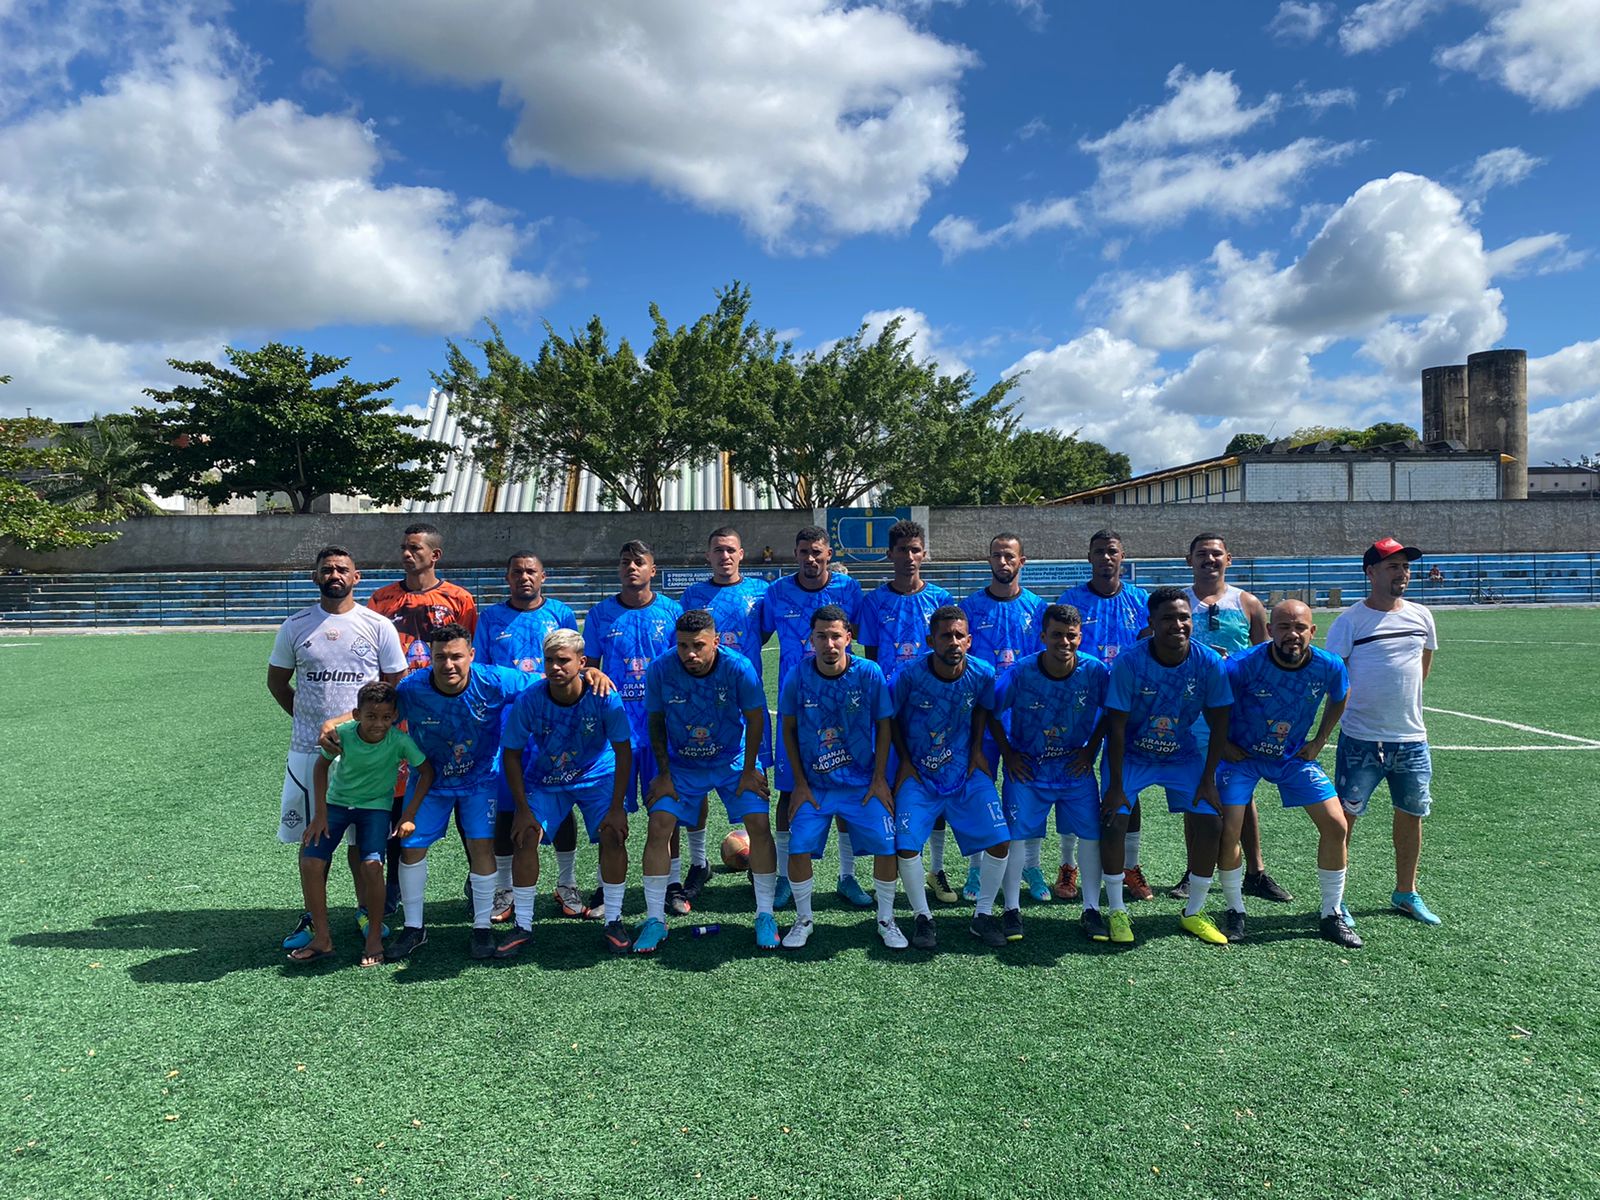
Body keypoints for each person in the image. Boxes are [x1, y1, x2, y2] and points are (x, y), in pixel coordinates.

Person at [323, 623, 535, 961]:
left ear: (471, 655)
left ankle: (482, 928)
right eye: (440, 657)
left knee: (482, 847)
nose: (448, 664)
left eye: (456, 657)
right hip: (430, 783)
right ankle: (414, 928)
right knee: (411, 849)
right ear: (431, 658)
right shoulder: (412, 689)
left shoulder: (495, 680)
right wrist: (334, 724)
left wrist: (590, 675)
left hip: (480, 781)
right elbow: (378, 712)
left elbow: (546, 681)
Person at [267, 546, 406, 951]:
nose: (335, 575)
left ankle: (365, 912)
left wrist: (349, 725)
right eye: (327, 569)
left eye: (342, 569)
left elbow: (395, 682)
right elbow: (277, 682)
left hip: (365, 752)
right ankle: (314, 918)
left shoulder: (377, 625)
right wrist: (308, 723)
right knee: (315, 837)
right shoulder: (295, 625)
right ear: (316, 577)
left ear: (356, 577)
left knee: (362, 842)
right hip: (308, 751)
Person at [1216, 601, 1360, 947]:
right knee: (1230, 828)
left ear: (1312, 631)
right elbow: (1212, 702)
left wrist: (1320, 739)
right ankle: (1235, 910)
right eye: (1283, 627)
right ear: (1270, 631)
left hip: (1291, 757)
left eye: (1299, 627)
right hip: (1243, 757)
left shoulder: (1329, 665)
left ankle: (1331, 913)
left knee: (1336, 824)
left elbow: (1341, 694)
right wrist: (1222, 745)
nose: (1292, 634)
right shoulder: (1242, 665)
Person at [1100, 588, 1233, 946]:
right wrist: (1115, 786)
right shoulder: (1129, 662)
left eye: (1184, 617)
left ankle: (1195, 912)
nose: (1178, 624)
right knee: (1113, 820)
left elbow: (1220, 720)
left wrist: (1208, 779)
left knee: (1211, 821)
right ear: (1152, 623)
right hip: (1132, 755)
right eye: (1168, 618)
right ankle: (1116, 910)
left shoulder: (1208, 662)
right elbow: (1116, 726)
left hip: (1181, 756)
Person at [638, 610, 777, 953]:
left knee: (759, 823)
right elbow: (655, 722)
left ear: (716, 641)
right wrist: (664, 774)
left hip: (731, 760)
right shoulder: (660, 669)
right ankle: (655, 919)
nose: (690, 654)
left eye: (698, 645)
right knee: (659, 823)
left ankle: (765, 914)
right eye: (683, 646)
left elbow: (755, 718)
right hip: (683, 764)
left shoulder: (738, 667)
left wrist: (749, 770)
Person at [1325, 538, 1442, 926]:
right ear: (1371, 572)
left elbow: (1422, 669)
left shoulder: (1422, 616)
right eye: (1393, 566)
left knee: (1411, 814)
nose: (1402, 573)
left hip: (1412, 740)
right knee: (1344, 819)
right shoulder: (1350, 621)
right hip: (1361, 740)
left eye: (1405, 566)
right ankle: (1336, 900)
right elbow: (1335, 678)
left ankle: (1406, 892)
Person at [473, 553, 594, 923]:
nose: (524, 577)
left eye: (531, 571)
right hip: (507, 725)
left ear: (543, 576)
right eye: (517, 572)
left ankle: (566, 882)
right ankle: (505, 889)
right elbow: (482, 672)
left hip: (555, 724)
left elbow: (575, 664)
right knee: (507, 807)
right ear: (507, 577)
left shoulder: (560, 613)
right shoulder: (491, 618)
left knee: (561, 800)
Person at [366, 522, 479, 919]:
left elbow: (469, 655)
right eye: (404, 547)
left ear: (435, 555)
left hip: (450, 712)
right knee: (397, 797)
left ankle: (478, 878)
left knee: (465, 790)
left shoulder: (459, 599)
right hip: (400, 712)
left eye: (415, 548)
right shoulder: (381, 599)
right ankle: (393, 886)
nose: (407, 554)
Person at [499, 630, 634, 957]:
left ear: (581, 662)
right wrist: (522, 809)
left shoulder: (604, 695)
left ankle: (614, 920)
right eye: (549, 661)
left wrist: (617, 807)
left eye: (563, 660)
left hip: (596, 775)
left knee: (614, 834)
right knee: (524, 836)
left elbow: (623, 751)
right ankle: (523, 925)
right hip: (547, 778)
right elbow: (511, 754)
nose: (555, 667)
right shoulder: (530, 699)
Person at [777, 605, 901, 949]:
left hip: (862, 785)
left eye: (835, 636)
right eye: (821, 636)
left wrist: (879, 779)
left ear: (849, 637)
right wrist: (800, 784)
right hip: (816, 787)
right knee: (798, 847)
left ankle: (886, 919)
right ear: (811, 640)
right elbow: (788, 729)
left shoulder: (869, 673)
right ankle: (804, 919)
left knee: (887, 844)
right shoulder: (797, 676)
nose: (829, 644)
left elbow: (884, 726)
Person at [1177, 533, 1291, 906]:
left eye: (1216, 554)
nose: (1209, 559)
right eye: (1201, 554)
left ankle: (1256, 871)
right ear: (1189, 560)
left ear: (1229, 559)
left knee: (1242, 791)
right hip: (1192, 711)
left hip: (1238, 714)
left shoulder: (1247, 603)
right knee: (1197, 788)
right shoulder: (1180, 602)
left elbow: (1264, 659)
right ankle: (1195, 869)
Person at [890, 607, 1011, 952]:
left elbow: (983, 709)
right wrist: (905, 762)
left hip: (964, 771)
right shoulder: (908, 676)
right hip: (919, 773)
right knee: (906, 845)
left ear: (969, 640)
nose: (953, 642)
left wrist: (976, 751)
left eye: (959, 635)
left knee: (1000, 839)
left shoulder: (982, 672)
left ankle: (983, 915)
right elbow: (889, 718)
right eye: (946, 635)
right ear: (931, 640)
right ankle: (922, 917)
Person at [989, 605, 1109, 943]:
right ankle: (1011, 909)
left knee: (1091, 836)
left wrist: (1090, 749)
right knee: (1014, 837)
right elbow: (990, 711)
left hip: (1074, 769)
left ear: (1080, 637)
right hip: (1028, 770)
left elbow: (1112, 711)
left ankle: (1091, 908)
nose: (1064, 642)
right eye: (1057, 635)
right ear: (1043, 636)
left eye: (1071, 635)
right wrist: (1009, 753)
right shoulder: (1021, 672)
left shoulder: (1095, 671)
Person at [761, 526, 864, 910]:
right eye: (803, 551)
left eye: (817, 552)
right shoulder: (776, 592)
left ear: (828, 554)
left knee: (846, 787)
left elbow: (860, 640)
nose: (810, 558)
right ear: (795, 553)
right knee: (789, 792)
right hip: (797, 707)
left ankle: (847, 876)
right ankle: (785, 877)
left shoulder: (848, 590)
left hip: (842, 707)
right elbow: (758, 636)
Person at [856, 520, 956, 907]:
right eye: (902, 550)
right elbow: (871, 659)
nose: (909, 557)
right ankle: (893, 869)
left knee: (936, 786)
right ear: (890, 555)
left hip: (934, 711)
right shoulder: (874, 602)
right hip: (890, 710)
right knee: (890, 786)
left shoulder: (941, 599)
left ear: (924, 554)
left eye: (915, 550)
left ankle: (937, 867)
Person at [292, 682, 426, 966]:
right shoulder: (343, 734)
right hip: (337, 805)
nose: (379, 724)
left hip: (375, 809)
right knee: (310, 861)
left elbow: (427, 772)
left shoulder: (400, 741)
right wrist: (320, 813)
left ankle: (374, 937)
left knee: (372, 866)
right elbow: (321, 766)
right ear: (356, 714)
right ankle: (322, 938)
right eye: (371, 716)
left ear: (395, 717)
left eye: (386, 717)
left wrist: (409, 814)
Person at [583, 541, 685, 910]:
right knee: (611, 812)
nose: (631, 567)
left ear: (652, 570)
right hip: (616, 732)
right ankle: (605, 887)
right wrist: (591, 672)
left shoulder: (672, 612)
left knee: (666, 810)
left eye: (639, 562)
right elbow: (588, 666)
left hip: (661, 728)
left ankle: (672, 884)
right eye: (625, 561)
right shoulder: (600, 614)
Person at [1057, 531, 1154, 902]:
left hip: (1128, 709)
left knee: (1126, 784)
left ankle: (1130, 865)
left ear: (1122, 556)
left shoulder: (1140, 600)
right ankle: (1068, 865)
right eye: (1099, 552)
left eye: (1112, 551)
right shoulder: (1071, 600)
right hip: (1079, 705)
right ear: (1089, 557)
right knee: (1070, 779)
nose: (1106, 557)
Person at [679, 527, 772, 907]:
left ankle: (760, 869)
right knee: (696, 786)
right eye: (718, 550)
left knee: (755, 779)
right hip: (702, 704)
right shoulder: (693, 595)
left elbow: (764, 634)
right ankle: (698, 862)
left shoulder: (761, 592)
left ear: (741, 554)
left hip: (745, 701)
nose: (725, 556)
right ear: (708, 556)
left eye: (731, 550)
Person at [961, 532, 1049, 902]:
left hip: (1026, 719)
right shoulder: (970, 606)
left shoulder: (1038, 608)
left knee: (1030, 792)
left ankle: (1031, 865)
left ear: (1021, 561)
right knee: (979, 790)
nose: (1003, 562)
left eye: (1009, 556)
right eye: (997, 555)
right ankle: (976, 868)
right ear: (989, 560)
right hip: (981, 717)